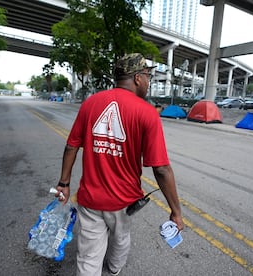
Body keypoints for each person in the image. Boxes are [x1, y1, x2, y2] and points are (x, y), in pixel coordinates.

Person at [55, 53, 184, 276]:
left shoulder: (90, 103)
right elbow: (161, 168)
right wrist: (176, 212)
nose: (149, 81)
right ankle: (114, 269)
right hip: (123, 200)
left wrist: (64, 184)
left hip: (90, 199)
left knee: (88, 255)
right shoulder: (147, 113)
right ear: (137, 78)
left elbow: (71, 146)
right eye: (147, 76)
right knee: (120, 238)